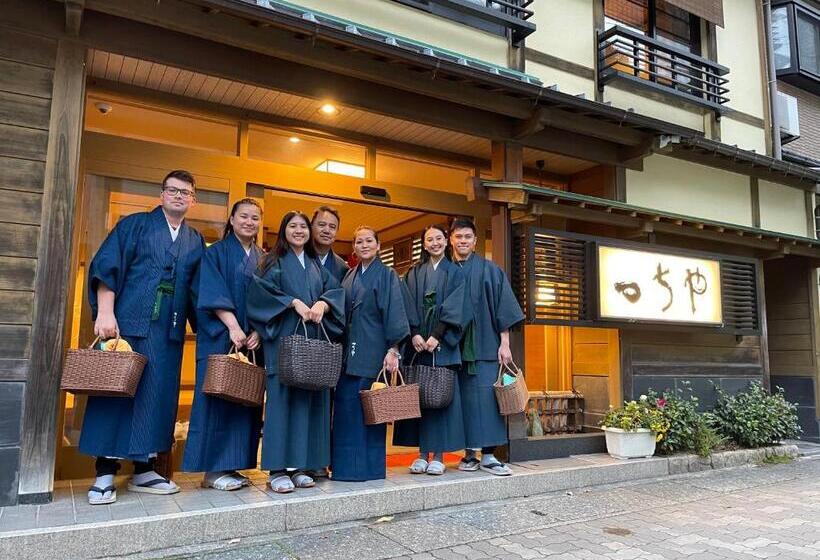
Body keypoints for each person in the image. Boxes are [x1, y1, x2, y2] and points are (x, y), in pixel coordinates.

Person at [79, 170, 205, 505]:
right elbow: (108, 266)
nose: (179, 196)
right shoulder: (134, 225)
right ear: (162, 194)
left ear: (193, 199)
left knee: (157, 396)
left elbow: (197, 292)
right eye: (172, 190)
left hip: (168, 330)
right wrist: (105, 312)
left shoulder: (194, 240)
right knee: (117, 393)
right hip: (128, 323)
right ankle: (104, 470)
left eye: (185, 192)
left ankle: (145, 467)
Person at [246, 211, 345, 493]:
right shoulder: (272, 261)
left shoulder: (315, 263)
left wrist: (324, 305)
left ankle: (301, 466)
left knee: (308, 405)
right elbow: (259, 294)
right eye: (293, 226)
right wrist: (292, 302)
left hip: (311, 343)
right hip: (283, 341)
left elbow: (335, 292)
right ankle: (278, 468)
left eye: (303, 226)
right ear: (284, 230)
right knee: (281, 404)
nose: (299, 231)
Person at [182, 199, 265, 490]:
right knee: (216, 401)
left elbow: (268, 299)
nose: (249, 222)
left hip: (251, 343)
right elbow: (208, 292)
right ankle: (212, 472)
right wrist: (232, 326)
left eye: (255, 218)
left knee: (244, 403)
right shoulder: (214, 253)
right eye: (244, 216)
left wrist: (258, 331)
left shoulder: (262, 257)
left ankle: (231, 467)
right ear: (231, 219)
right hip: (220, 338)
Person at [331, 226, 410, 482]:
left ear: (378, 245)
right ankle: (345, 469)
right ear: (354, 247)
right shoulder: (349, 276)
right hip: (348, 354)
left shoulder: (387, 275)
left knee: (371, 412)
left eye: (369, 241)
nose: (364, 245)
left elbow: (395, 312)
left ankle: (371, 469)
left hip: (374, 350)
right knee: (345, 411)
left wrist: (393, 348)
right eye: (359, 241)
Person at [449, 218, 524, 476]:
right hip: (453, 348)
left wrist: (505, 343)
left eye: (467, 237)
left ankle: (489, 454)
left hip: (485, 345)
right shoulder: (446, 269)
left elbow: (502, 308)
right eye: (458, 236)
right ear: (451, 240)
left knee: (487, 401)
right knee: (463, 402)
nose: (463, 241)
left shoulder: (490, 270)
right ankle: (469, 453)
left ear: (475, 241)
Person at [393, 225, 466, 476]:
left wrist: (437, 334)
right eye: (429, 240)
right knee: (420, 399)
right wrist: (414, 333)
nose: (434, 243)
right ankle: (422, 453)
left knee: (440, 400)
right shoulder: (414, 273)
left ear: (447, 242)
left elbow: (457, 305)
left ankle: (439, 455)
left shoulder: (455, 273)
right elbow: (405, 304)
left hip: (441, 345)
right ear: (423, 244)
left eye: (438, 238)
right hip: (418, 345)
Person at [311, 205, 349, 283]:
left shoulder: (343, 268)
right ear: (311, 227)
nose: (327, 231)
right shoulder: (294, 258)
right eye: (322, 225)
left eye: (332, 227)